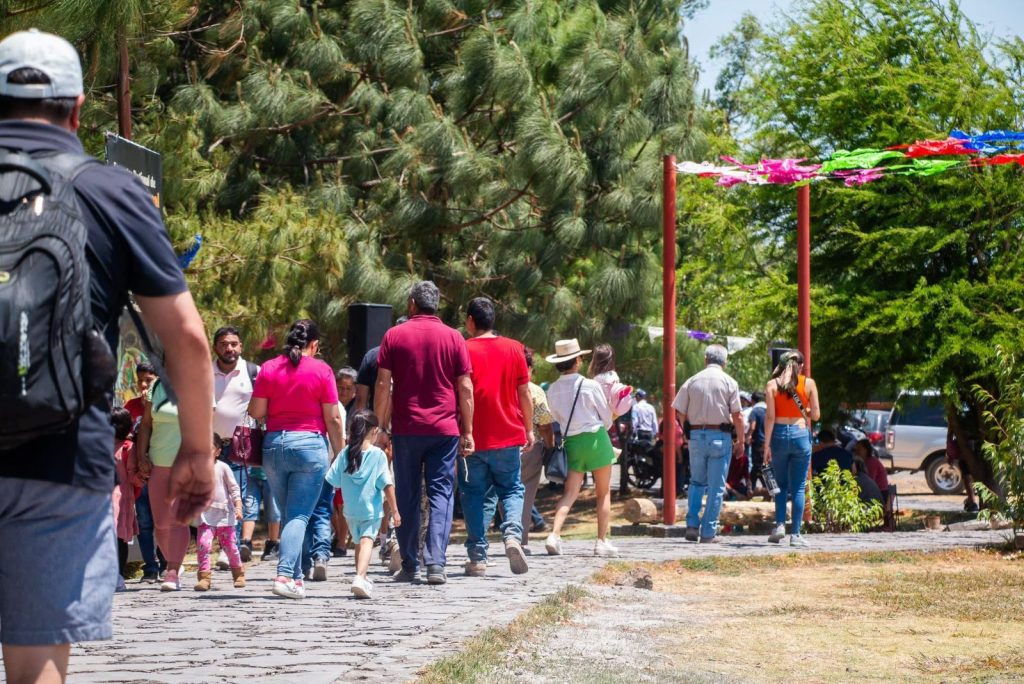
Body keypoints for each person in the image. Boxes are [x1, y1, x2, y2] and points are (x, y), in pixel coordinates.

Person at [0, 33, 214, 683]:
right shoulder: (111, 191)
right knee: (37, 661)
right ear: (76, 109)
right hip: (61, 458)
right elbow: (186, 336)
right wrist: (196, 451)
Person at [374, 281, 474, 585]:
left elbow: (383, 384)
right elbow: (465, 387)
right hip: (445, 429)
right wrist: (468, 430)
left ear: (412, 304)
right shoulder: (454, 337)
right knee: (441, 493)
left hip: (407, 428)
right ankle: (436, 564)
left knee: (406, 495)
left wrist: (380, 427)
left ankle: (409, 563)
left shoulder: (394, 335)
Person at [248, 319, 344, 600]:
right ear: (314, 344)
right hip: (309, 446)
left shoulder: (268, 368)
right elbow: (333, 418)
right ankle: (284, 575)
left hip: (274, 446)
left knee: (291, 515)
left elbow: (255, 411)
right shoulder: (322, 370)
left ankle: (297, 577)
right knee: (299, 515)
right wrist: (340, 453)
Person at [460, 297, 532, 577]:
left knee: (473, 494)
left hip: (473, 436)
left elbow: (461, 391)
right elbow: (524, 392)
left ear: (470, 321)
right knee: (512, 489)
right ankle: (512, 536)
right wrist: (529, 428)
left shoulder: (463, 349)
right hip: (508, 434)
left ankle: (478, 558)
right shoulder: (515, 348)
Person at [543, 339, 619, 557]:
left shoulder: (553, 389)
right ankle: (601, 542)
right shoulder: (590, 385)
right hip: (595, 439)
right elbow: (606, 419)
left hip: (572, 442)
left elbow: (555, 418)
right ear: (577, 360)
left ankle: (554, 535)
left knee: (570, 493)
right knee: (603, 493)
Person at [325, 410, 400, 599]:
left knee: (359, 542)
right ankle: (359, 577)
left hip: (350, 511)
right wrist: (395, 510)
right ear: (374, 431)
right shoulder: (378, 455)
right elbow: (387, 485)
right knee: (367, 541)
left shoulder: (345, 453)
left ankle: (363, 576)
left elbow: (332, 480)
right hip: (370, 510)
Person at [673, 344, 744, 543]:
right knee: (716, 487)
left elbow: (679, 411)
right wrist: (741, 440)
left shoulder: (691, 381)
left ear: (705, 359)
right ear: (725, 362)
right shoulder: (729, 382)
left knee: (696, 482)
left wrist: (687, 430)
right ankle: (708, 532)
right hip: (720, 437)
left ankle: (692, 524)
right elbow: (737, 415)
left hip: (696, 436)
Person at [211, 325, 264, 563]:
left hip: (240, 446)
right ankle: (218, 543)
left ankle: (228, 548)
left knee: (236, 496)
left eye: (233, 344)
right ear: (216, 347)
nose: (229, 348)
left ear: (241, 346)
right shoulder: (204, 372)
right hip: (210, 446)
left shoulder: (254, 372)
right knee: (214, 498)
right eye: (224, 344)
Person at [764, 351, 821, 547]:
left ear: (780, 366)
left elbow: (770, 418)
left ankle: (780, 525)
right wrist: (804, 410)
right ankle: (795, 535)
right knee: (798, 487)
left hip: (779, 435)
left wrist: (766, 445)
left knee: (779, 484)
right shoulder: (809, 384)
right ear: (801, 366)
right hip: (800, 434)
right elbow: (816, 415)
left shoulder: (772, 385)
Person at [194, 435, 246, 592]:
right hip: (205, 516)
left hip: (225, 516)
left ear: (217, 451)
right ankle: (204, 577)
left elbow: (234, 488)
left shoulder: (223, 467)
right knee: (203, 545)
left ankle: (238, 573)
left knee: (230, 547)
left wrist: (238, 507)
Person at [110, 408, 141, 590]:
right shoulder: (102, 445)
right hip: (109, 496)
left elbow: (132, 475)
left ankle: (118, 575)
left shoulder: (127, 447)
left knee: (118, 537)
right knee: (112, 537)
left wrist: (144, 477)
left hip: (120, 498)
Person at [589, 344, 634, 419]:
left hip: (600, 419)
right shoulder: (614, 376)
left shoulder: (596, 380)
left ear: (595, 361)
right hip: (612, 415)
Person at [947, 425, 979, 512]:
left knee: (968, 477)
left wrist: (950, 453)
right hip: (972, 448)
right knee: (970, 476)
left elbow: (950, 433)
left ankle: (972, 501)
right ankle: (972, 501)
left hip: (965, 450)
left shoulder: (958, 420)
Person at [747, 392, 768, 489]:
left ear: (752, 400)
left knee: (759, 466)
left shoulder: (755, 411)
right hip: (768, 442)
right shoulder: (767, 410)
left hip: (758, 442)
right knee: (763, 465)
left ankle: (769, 488)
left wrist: (747, 436)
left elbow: (752, 426)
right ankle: (751, 488)